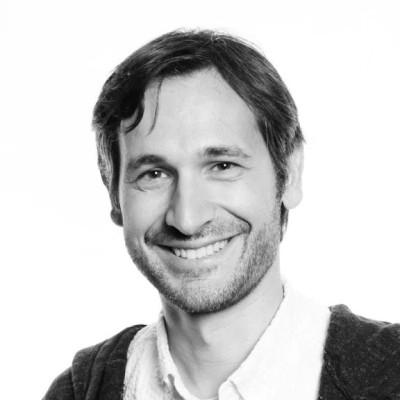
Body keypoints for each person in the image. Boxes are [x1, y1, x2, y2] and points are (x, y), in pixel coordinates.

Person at [43, 30, 400, 400]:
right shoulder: (78, 391)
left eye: (222, 165)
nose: (187, 219)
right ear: (114, 195)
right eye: (154, 174)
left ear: (290, 174)